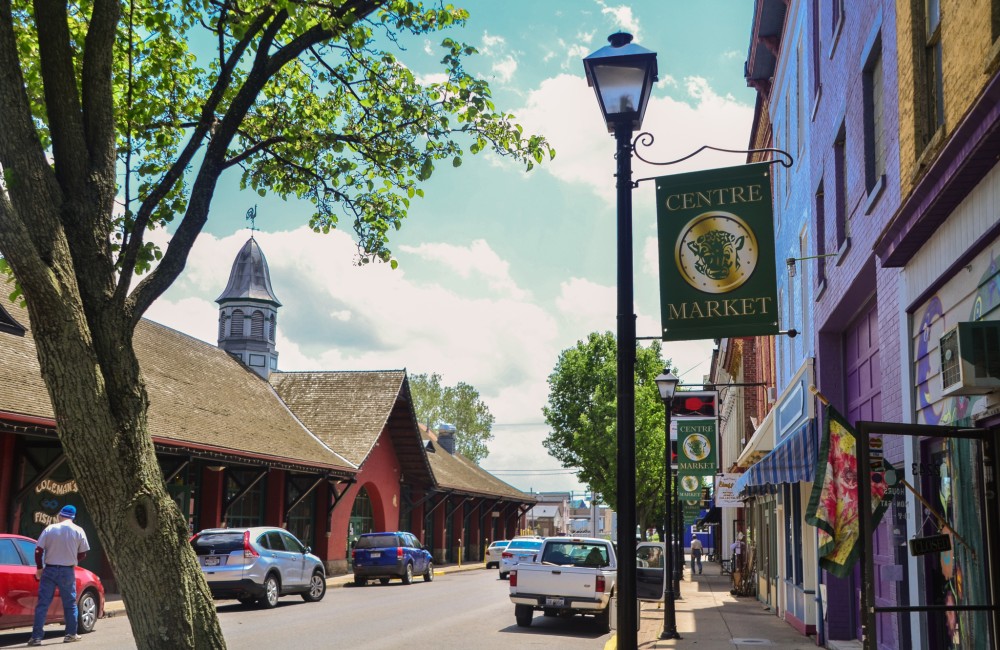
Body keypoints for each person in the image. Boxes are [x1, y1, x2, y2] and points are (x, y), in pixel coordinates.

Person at [29, 505, 90, 646]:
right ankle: (70, 634)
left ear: (60, 515)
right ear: (73, 517)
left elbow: (38, 550)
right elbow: (83, 553)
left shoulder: (50, 529)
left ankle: (36, 637)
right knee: (70, 604)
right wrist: (72, 559)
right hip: (67, 571)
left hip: (49, 569)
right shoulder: (79, 530)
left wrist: (39, 568)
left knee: (43, 604)